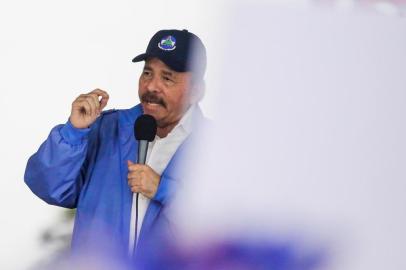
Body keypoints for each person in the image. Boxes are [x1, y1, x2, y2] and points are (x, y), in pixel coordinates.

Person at [24, 29, 208, 267]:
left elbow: (224, 229)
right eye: (147, 73)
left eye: (168, 77)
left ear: (196, 91)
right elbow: (48, 187)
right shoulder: (107, 129)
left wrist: (162, 190)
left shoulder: (214, 148)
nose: (152, 86)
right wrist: (73, 132)